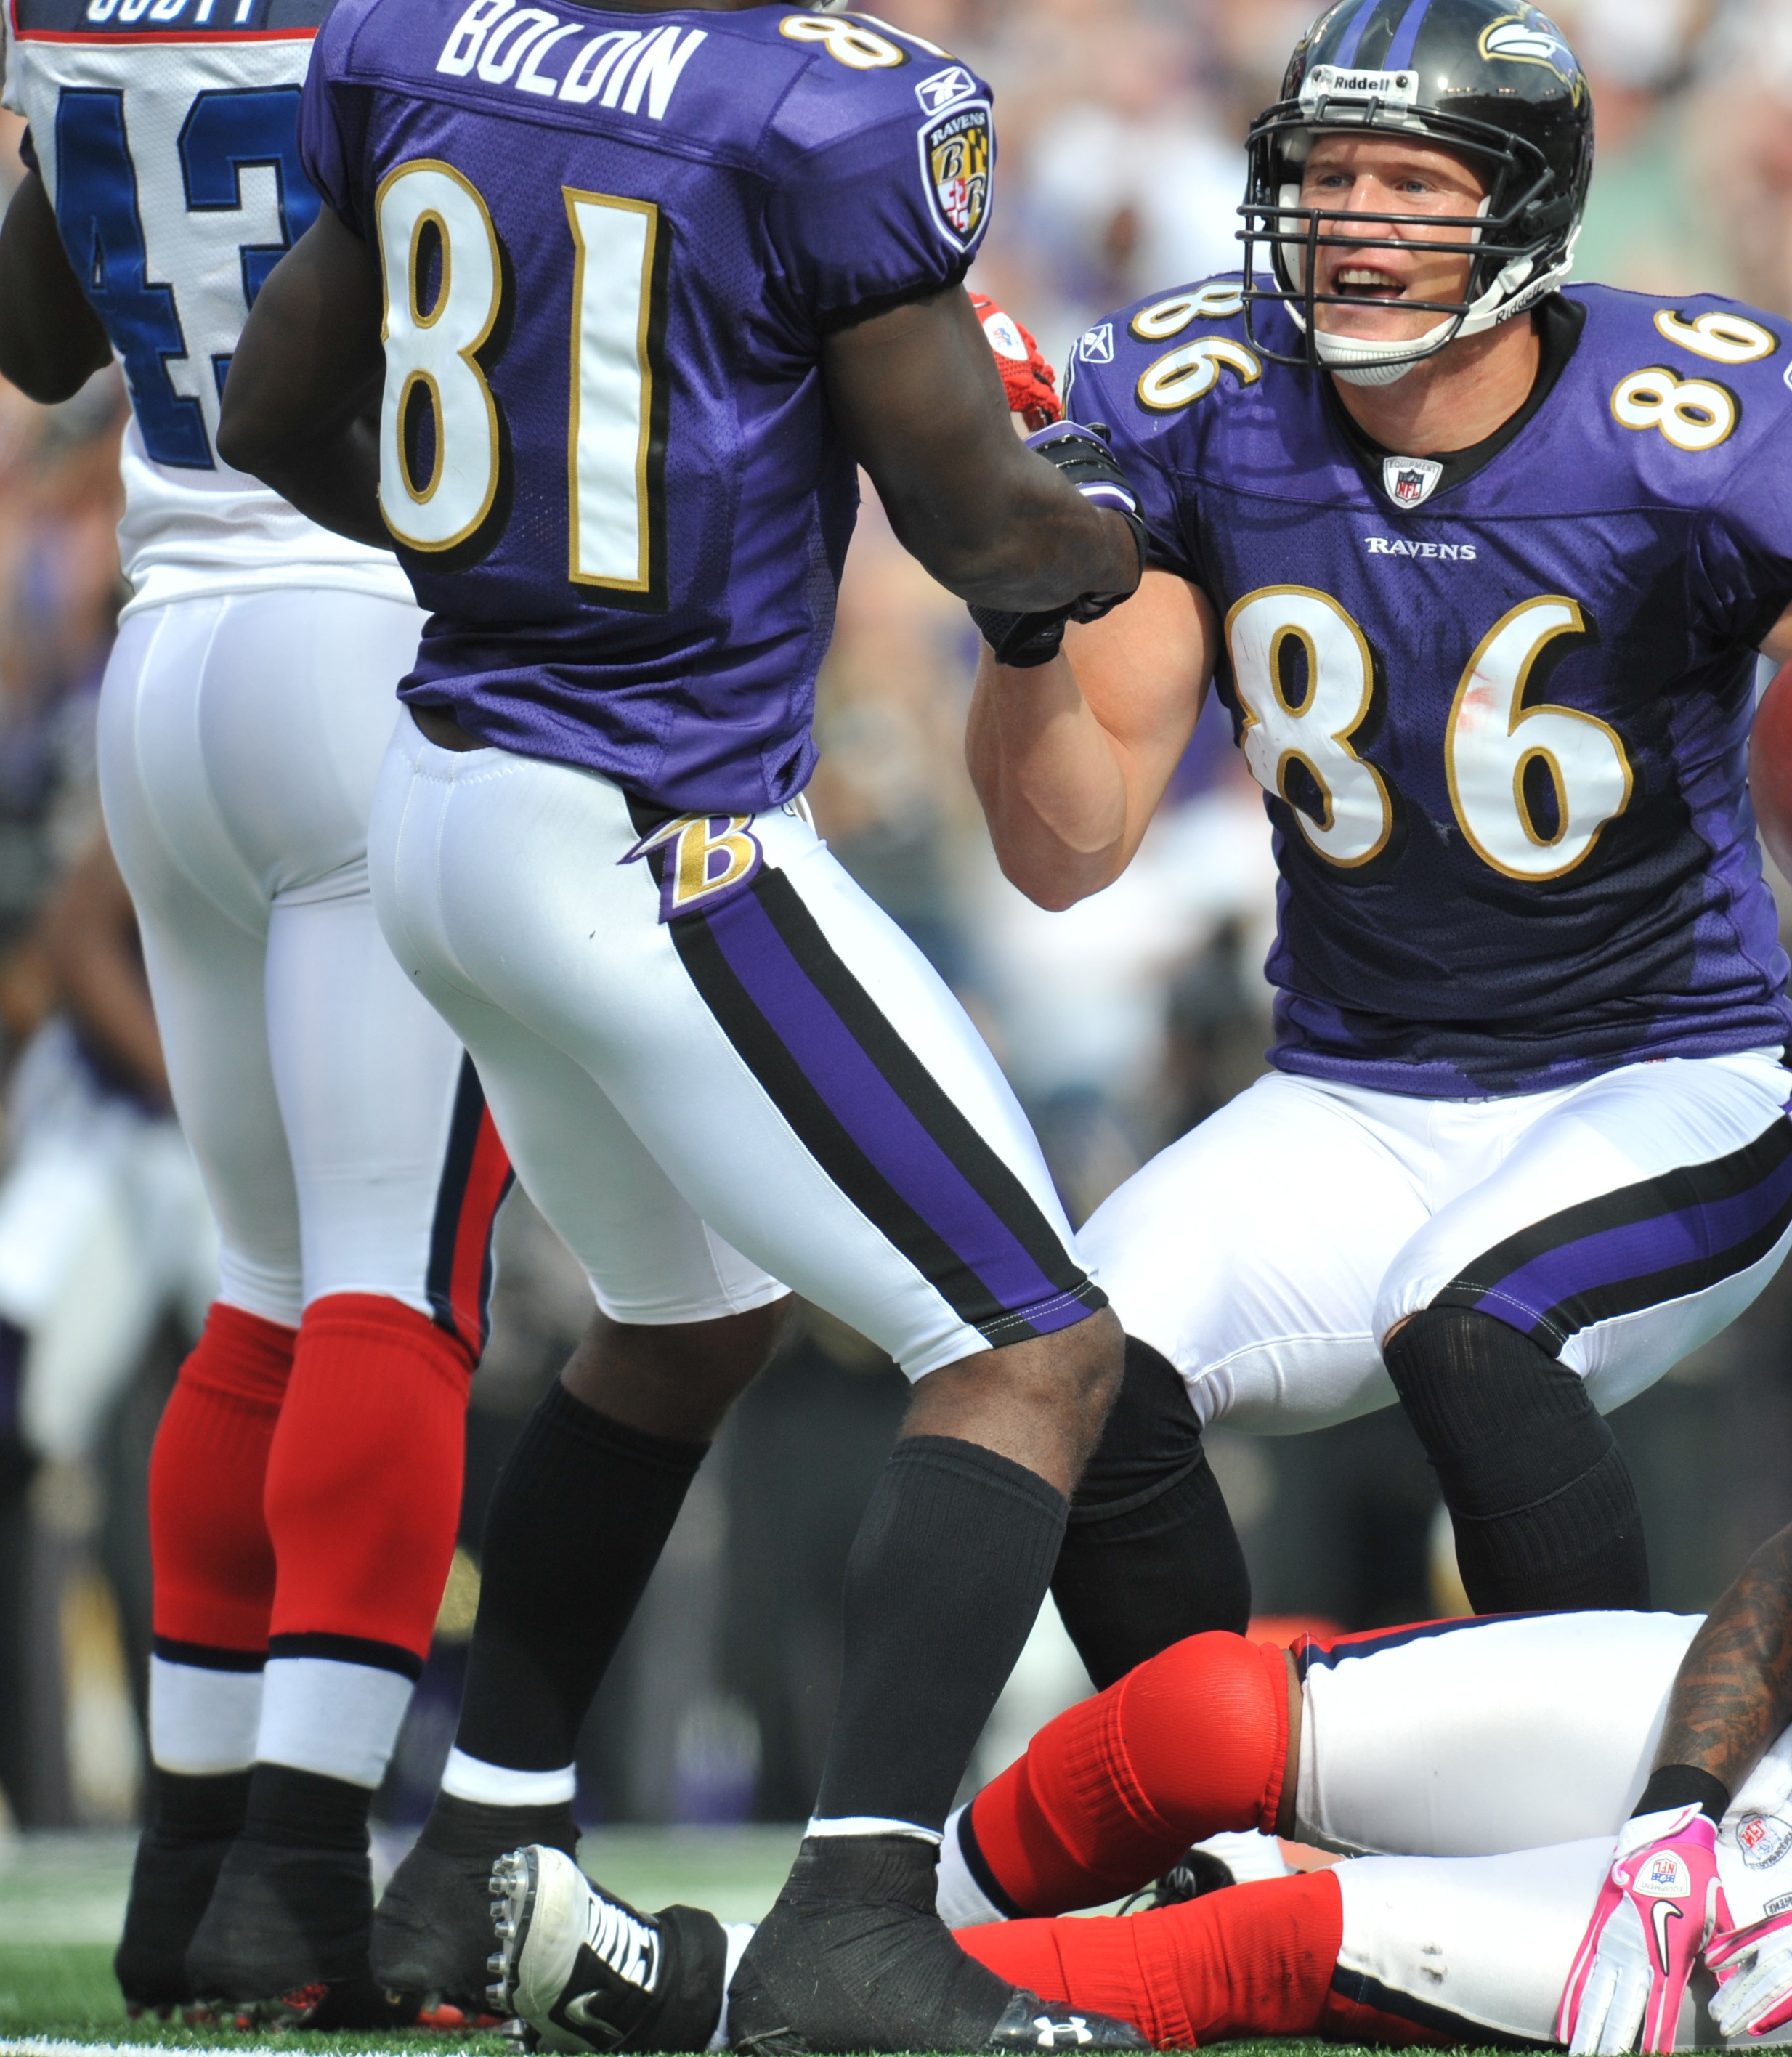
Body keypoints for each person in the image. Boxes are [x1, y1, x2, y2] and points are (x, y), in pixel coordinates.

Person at [970, 0, 1792, 1673]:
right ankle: (1199, 1828)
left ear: (1517, 207)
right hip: (1355, 1090)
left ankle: (1610, 1849)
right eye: (1325, 172)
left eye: (1405, 181)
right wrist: (1015, 623)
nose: (1352, 218)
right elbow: (1064, 849)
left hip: (1664, 1075)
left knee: (1474, 1334)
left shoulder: (1683, 427)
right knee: (1071, 1365)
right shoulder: (1205, 405)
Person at [214, 0, 1148, 2045]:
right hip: (660, 827)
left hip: (450, 796)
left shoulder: (413, 32)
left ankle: (474, 1853)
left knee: (687, 1319)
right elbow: (981, 523)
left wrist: (516, 556)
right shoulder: (832, 103)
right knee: (1034, 1349)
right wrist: (1121, 521)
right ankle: (860, 1928)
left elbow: (272, 412)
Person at [490, 1101, 1792, 2056]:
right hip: (1773, 1784)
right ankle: (885, 1928)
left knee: (1269, 1942)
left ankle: (734, 2006)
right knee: (1212, 1708)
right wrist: (1673, 1809)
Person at [1, 0, 521, 2018]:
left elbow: (43, 337)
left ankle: (189, 1861)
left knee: (264, 1290)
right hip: (372, 637)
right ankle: (302, 1869)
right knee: (392, 1284)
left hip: (169, 661)